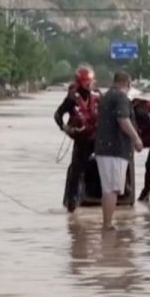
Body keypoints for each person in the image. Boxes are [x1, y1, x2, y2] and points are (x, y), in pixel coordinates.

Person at [93, 71, 143, 231]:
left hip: (103, 148)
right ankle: (107, 225)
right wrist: (136, 139)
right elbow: (123, 120)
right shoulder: (121, 98)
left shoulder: (106, 96)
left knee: (108, 188)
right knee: (112, 189)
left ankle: (106, 223)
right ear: (127, 83)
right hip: (115, 150)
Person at [54, 65, 102, 213]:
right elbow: (58, 114)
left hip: (98, 138)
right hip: (81, 139)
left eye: (91, 82)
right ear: (81, 83)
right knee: (77, 171)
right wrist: (65, 128)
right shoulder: (72, 98)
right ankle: (72, 204)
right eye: (88, 82)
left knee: (104, 167)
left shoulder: (98, 95)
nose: (91, 85)